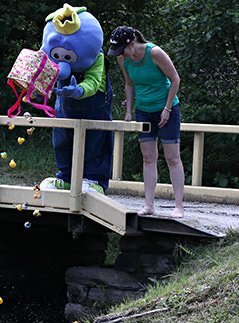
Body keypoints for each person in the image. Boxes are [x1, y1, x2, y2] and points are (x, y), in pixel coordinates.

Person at [108, 26, 184, 218]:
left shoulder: (154, 53)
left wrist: (167, 109)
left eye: (123, 50)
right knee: (148, 158)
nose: (121, 55)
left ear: (132, 44)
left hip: (166, 109)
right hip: (144, 110)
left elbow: (175, 79)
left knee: (172, 158)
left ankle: (179, 207)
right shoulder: (122, 58)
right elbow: (129, 84)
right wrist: (128, 111)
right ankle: (149, 205)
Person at [38, 4, 114, 195]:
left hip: (94, 105)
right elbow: (42, 76)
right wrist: (37, 91)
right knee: (62, 139)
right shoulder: (50, 53)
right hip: (65, 106)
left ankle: (94, 179)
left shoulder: (96, 57)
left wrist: (78, 90)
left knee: (95, 141)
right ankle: (65, 177)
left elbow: (94, 82)